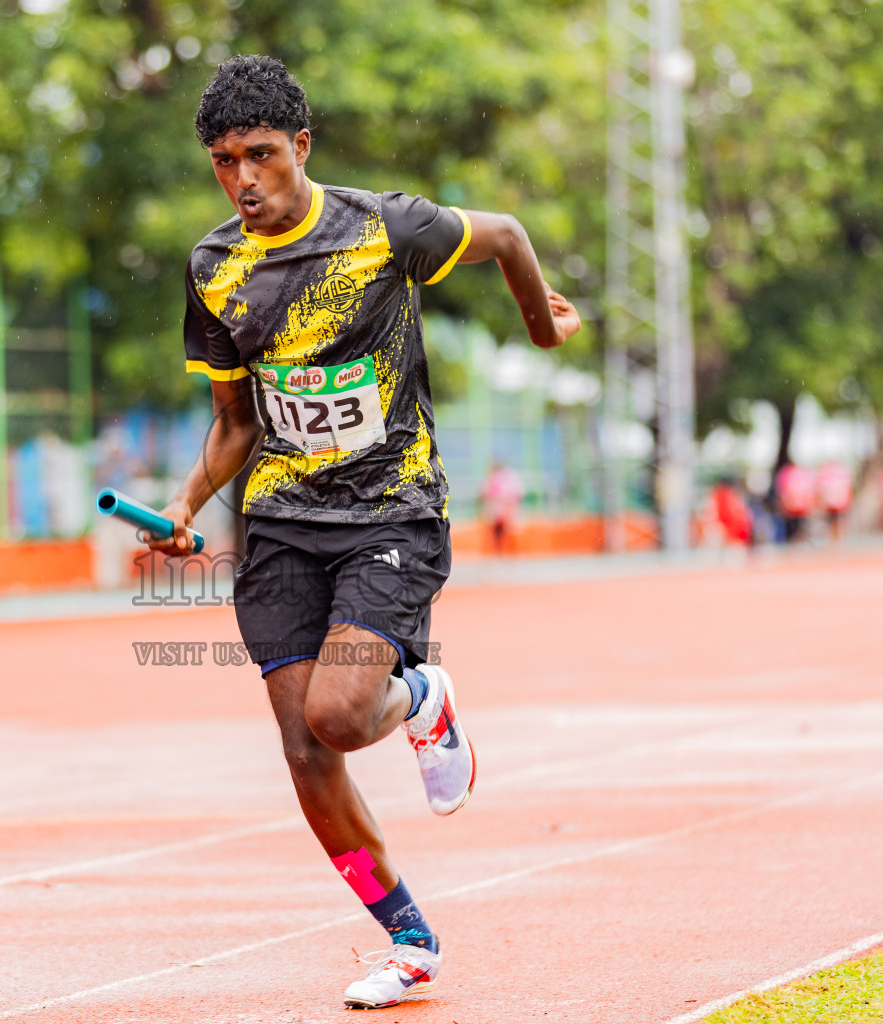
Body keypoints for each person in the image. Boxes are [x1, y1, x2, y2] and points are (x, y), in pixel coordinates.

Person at [143, 56, 581, 1009]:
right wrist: (183, 504)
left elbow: (505, 234)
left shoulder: (383, 230)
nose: (243, 179)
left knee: (341, 714)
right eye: (224, 161)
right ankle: (409, 940)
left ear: (302, 146)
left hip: (392, 510)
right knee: (305, 753)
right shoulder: (214, 267)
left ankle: (422, 694)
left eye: (260, 155)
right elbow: (235, 425)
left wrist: (542, 328)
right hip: (282, 524)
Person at [480, 461, 526, 553]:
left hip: (503, 509)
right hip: (500, 510)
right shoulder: (496, 479)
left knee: (505, 531)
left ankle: (507, 550)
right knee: (501, 531)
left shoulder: (499, 478)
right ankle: (504, 550)